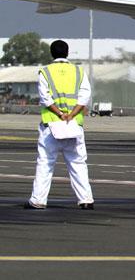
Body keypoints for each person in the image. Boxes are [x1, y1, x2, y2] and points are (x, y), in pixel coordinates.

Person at [25, 40, 95, 209]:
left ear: (52, 53)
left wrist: (59, 113)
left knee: (45, 163)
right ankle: (85, 200)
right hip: (73, 125)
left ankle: (38, 200)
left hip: (51, 126)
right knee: (78, 163)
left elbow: (45, 98)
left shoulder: (45, 72)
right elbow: (85, 96)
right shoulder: (79, 72)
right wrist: (71, 114)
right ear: (67, 53)